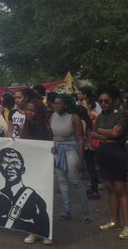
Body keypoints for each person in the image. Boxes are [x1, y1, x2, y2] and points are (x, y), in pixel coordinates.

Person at [91, 85, 128, 239]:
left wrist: (101, 132)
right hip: (104, 153)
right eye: (100, 101)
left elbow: (116, 133)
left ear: (114, 101)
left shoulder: (122, 115)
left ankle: (127, 225)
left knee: (121, 189)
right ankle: (115, 222)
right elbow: (93, 133)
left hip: (117, 153)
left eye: (106, 101)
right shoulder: (101, 116)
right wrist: (105, 135)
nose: (103, 103)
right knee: (110, 189)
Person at [0, 148, 50, 239]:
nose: (10, 167)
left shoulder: (35, 200)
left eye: (15, 163)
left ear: (23, 169)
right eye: (5, 162)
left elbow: (45, 232)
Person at [50, 94, 91, 224]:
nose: (56, 105)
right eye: (55, 103)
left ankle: (86, 213)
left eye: (59, 103)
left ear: (66, 104)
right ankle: (66, 211)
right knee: (62, 181)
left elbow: (80, 138)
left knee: (75, 181)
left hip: (71, 149)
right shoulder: (52, 116)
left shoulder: (74, 117)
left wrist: (81, 158)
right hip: (57, 150)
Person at [19, 99, 52, 244]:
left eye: (32, 111)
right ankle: (32, 232)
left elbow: (50, 149)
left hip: (43, 168)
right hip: (29, 168)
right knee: (29, 200)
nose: (29, 113)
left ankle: (46, 233)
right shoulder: (23, 127)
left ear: (38, 112)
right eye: (27, 110)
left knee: (44, 201)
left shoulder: (46, 129)